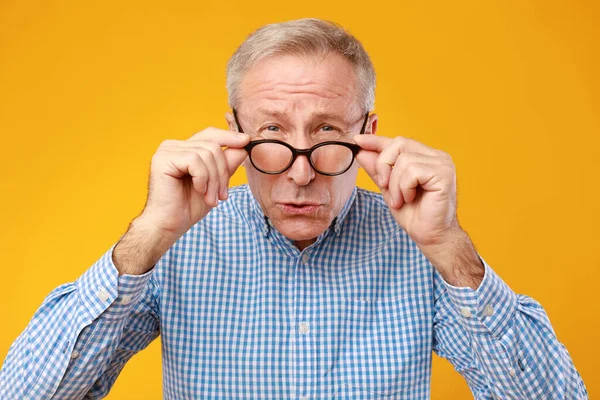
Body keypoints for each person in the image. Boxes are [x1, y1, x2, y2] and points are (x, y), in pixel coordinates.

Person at [0, 18, 588, 400]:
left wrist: (450, 249)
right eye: (271, 134)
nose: (301, 173)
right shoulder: (178, 243)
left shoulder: (417, 245)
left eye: (328, 132)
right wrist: (148, 234)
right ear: (231, 134)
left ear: (369, 134)